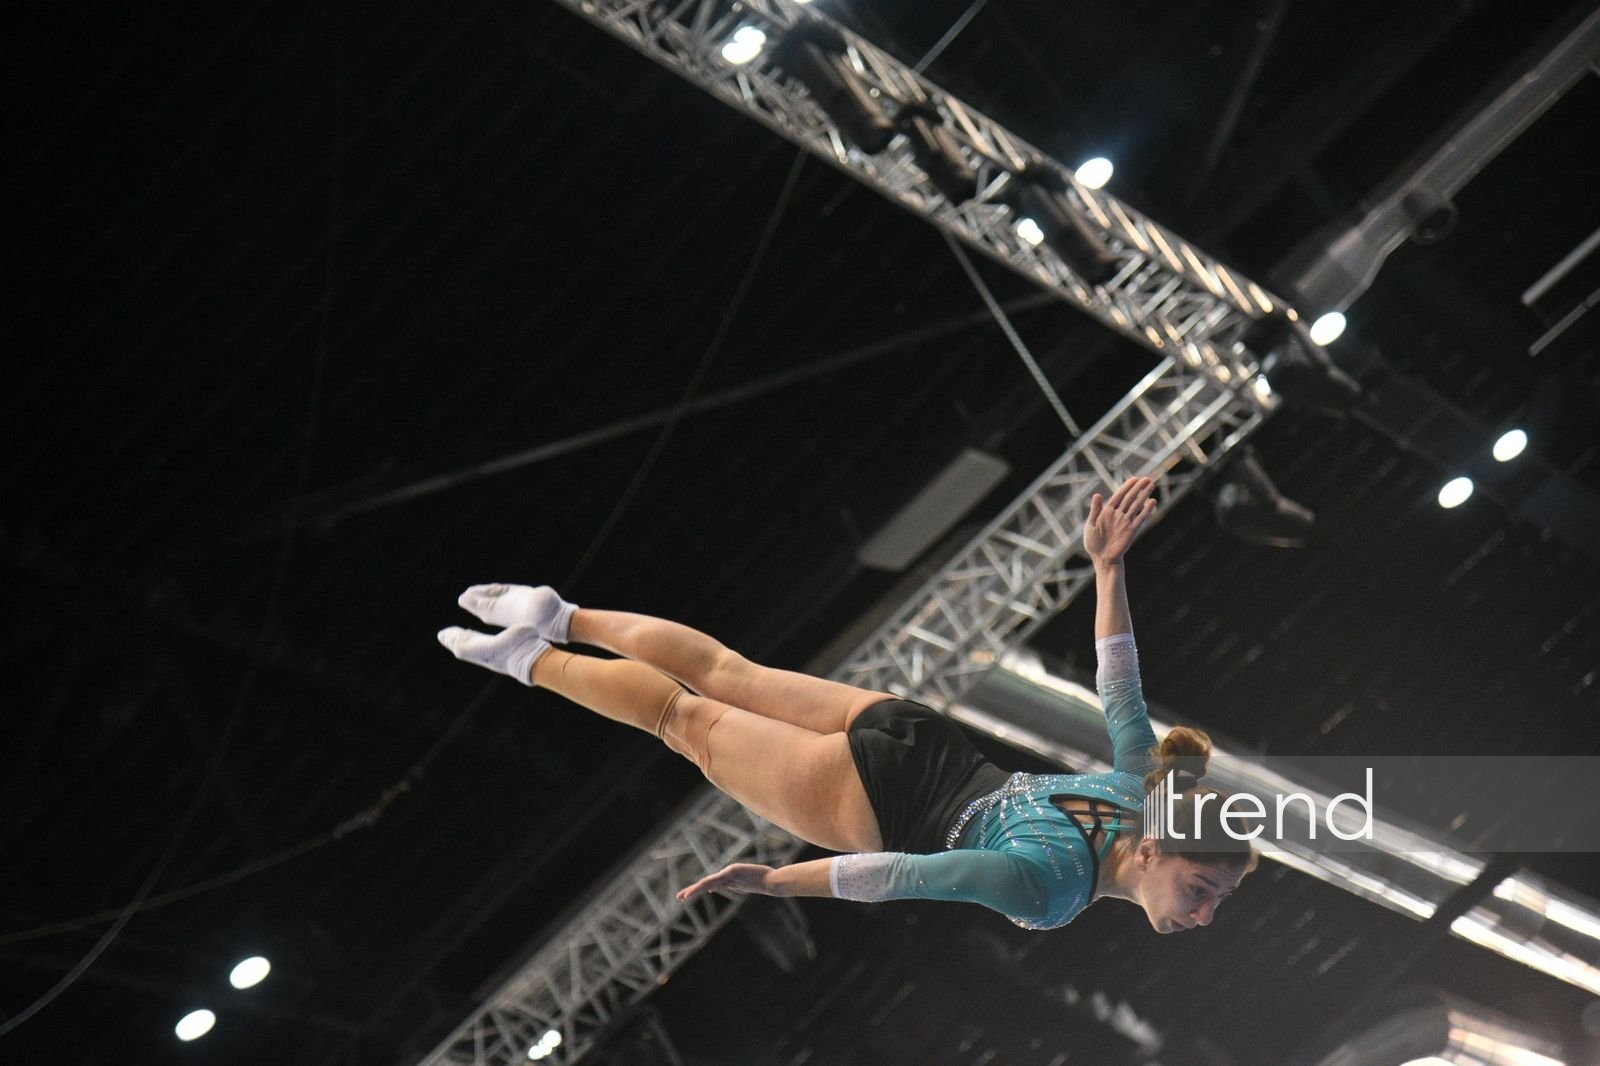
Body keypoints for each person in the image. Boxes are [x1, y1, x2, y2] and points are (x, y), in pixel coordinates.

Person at [437, 476, 1255, 933]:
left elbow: (1120, 684)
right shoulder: (1049, 890)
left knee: (727, 670)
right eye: (1201, 889)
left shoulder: (1137, 791)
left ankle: (559, 613)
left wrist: (1108, 570)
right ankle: (533, 656)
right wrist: (778, 883)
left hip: (922, 740)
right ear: (1152, 855)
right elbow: (909, 872)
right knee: (683, 719)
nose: (1206, 914)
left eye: (1214, 898)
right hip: (876, 803)